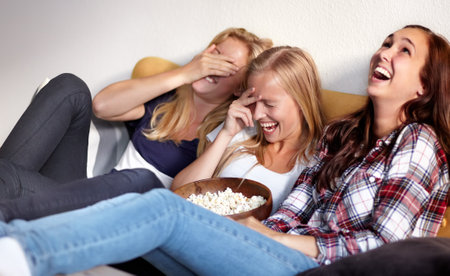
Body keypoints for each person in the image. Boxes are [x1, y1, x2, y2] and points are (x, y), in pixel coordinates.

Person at [0, 25, 449, 276]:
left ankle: (21, 252)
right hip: (269, 253)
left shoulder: (417, 143)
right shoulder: (344, 135)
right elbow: (298, 206)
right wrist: (256, 230)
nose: (384, 52)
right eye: (386, 42)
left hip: (307, 266)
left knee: (159, 207)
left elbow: (381, 245)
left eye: (403, 50)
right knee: (145, 213)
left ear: (425, 84)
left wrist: (274, 238)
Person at [0, 28, 273, 222]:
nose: (211, 65)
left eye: (226, 64)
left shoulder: (227, 133)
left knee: (140, 181)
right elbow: (102, 105)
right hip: (85, 198)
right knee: (71, 87)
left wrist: (227, 132)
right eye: (213, 54)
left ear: (240, 87)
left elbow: (186, 201)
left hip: (128, 218)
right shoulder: (164, 101)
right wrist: (185, 73)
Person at [171, 46, 325, 213]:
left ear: (303, 101)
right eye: (253, 100)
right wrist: (226, 134)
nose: (258, 115)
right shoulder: (242, 125)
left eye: (269, 104)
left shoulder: (317, 159)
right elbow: (180, 193)